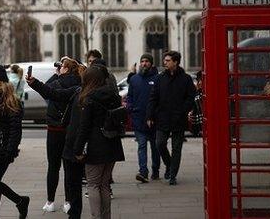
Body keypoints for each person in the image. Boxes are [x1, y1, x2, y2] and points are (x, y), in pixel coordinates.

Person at [28, 58, 85, 217]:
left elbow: (47, 90)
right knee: (69, 168)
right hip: (69, 130)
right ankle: (68, 202)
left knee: (53, 166)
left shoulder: (57, 83)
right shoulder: (79, 84)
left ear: (65, 69)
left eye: (61, 65)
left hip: (54, 129)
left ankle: (50, 201)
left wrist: (55, 75)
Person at [72, 65, 125, 219]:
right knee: (104, 184)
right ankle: (106, 216)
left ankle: (96, 216)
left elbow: (84, 128)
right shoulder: (114, 95)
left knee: (93, 184)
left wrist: (77, 150)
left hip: (96, 146)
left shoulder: (89, 99)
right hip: (112, 143)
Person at [0, 66, 30, 219]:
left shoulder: (12, 102)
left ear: (1, 83)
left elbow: (16, 130)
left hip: (2, 149)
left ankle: (21, 201)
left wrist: (10, 150)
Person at [146, 51, 196, 186]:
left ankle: (173, 174)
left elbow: (191, 97)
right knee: (160, 144)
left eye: (168, 61)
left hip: (178, 119)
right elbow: (153, 98)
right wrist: (150, 115)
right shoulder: (160, 78)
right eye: (164, 60)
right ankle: (169, 165)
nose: (165, 63)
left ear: (175, 62)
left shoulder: (186, 79)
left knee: (176, 148)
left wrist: (183, 110)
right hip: (162, 118)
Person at [126, 53, 160, 182]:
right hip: (138, 118)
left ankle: (155, 170)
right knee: (141, 146)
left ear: (151, 63)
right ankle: (143, 172)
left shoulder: (157, 79)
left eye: (146, 61)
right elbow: (130, 96)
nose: (144, 63)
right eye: (142, 61)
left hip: (153, 120)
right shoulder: (134, 79)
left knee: (155, 147)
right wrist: (130, 107)